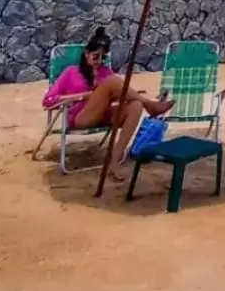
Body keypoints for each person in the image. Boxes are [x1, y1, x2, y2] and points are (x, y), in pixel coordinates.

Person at [41, 29, 174, 182]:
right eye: (95, 56)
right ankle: (150, 105)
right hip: (81, 116)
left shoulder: (105, 71)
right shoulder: (71, 72)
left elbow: (120, 91)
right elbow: (48, 101)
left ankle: (114, 161)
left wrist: (132, 95)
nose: (99, 61)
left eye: (103, 58)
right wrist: (82, 96)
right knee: (111, 82)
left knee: (136, 105)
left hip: (104, 114)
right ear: (86, 54)